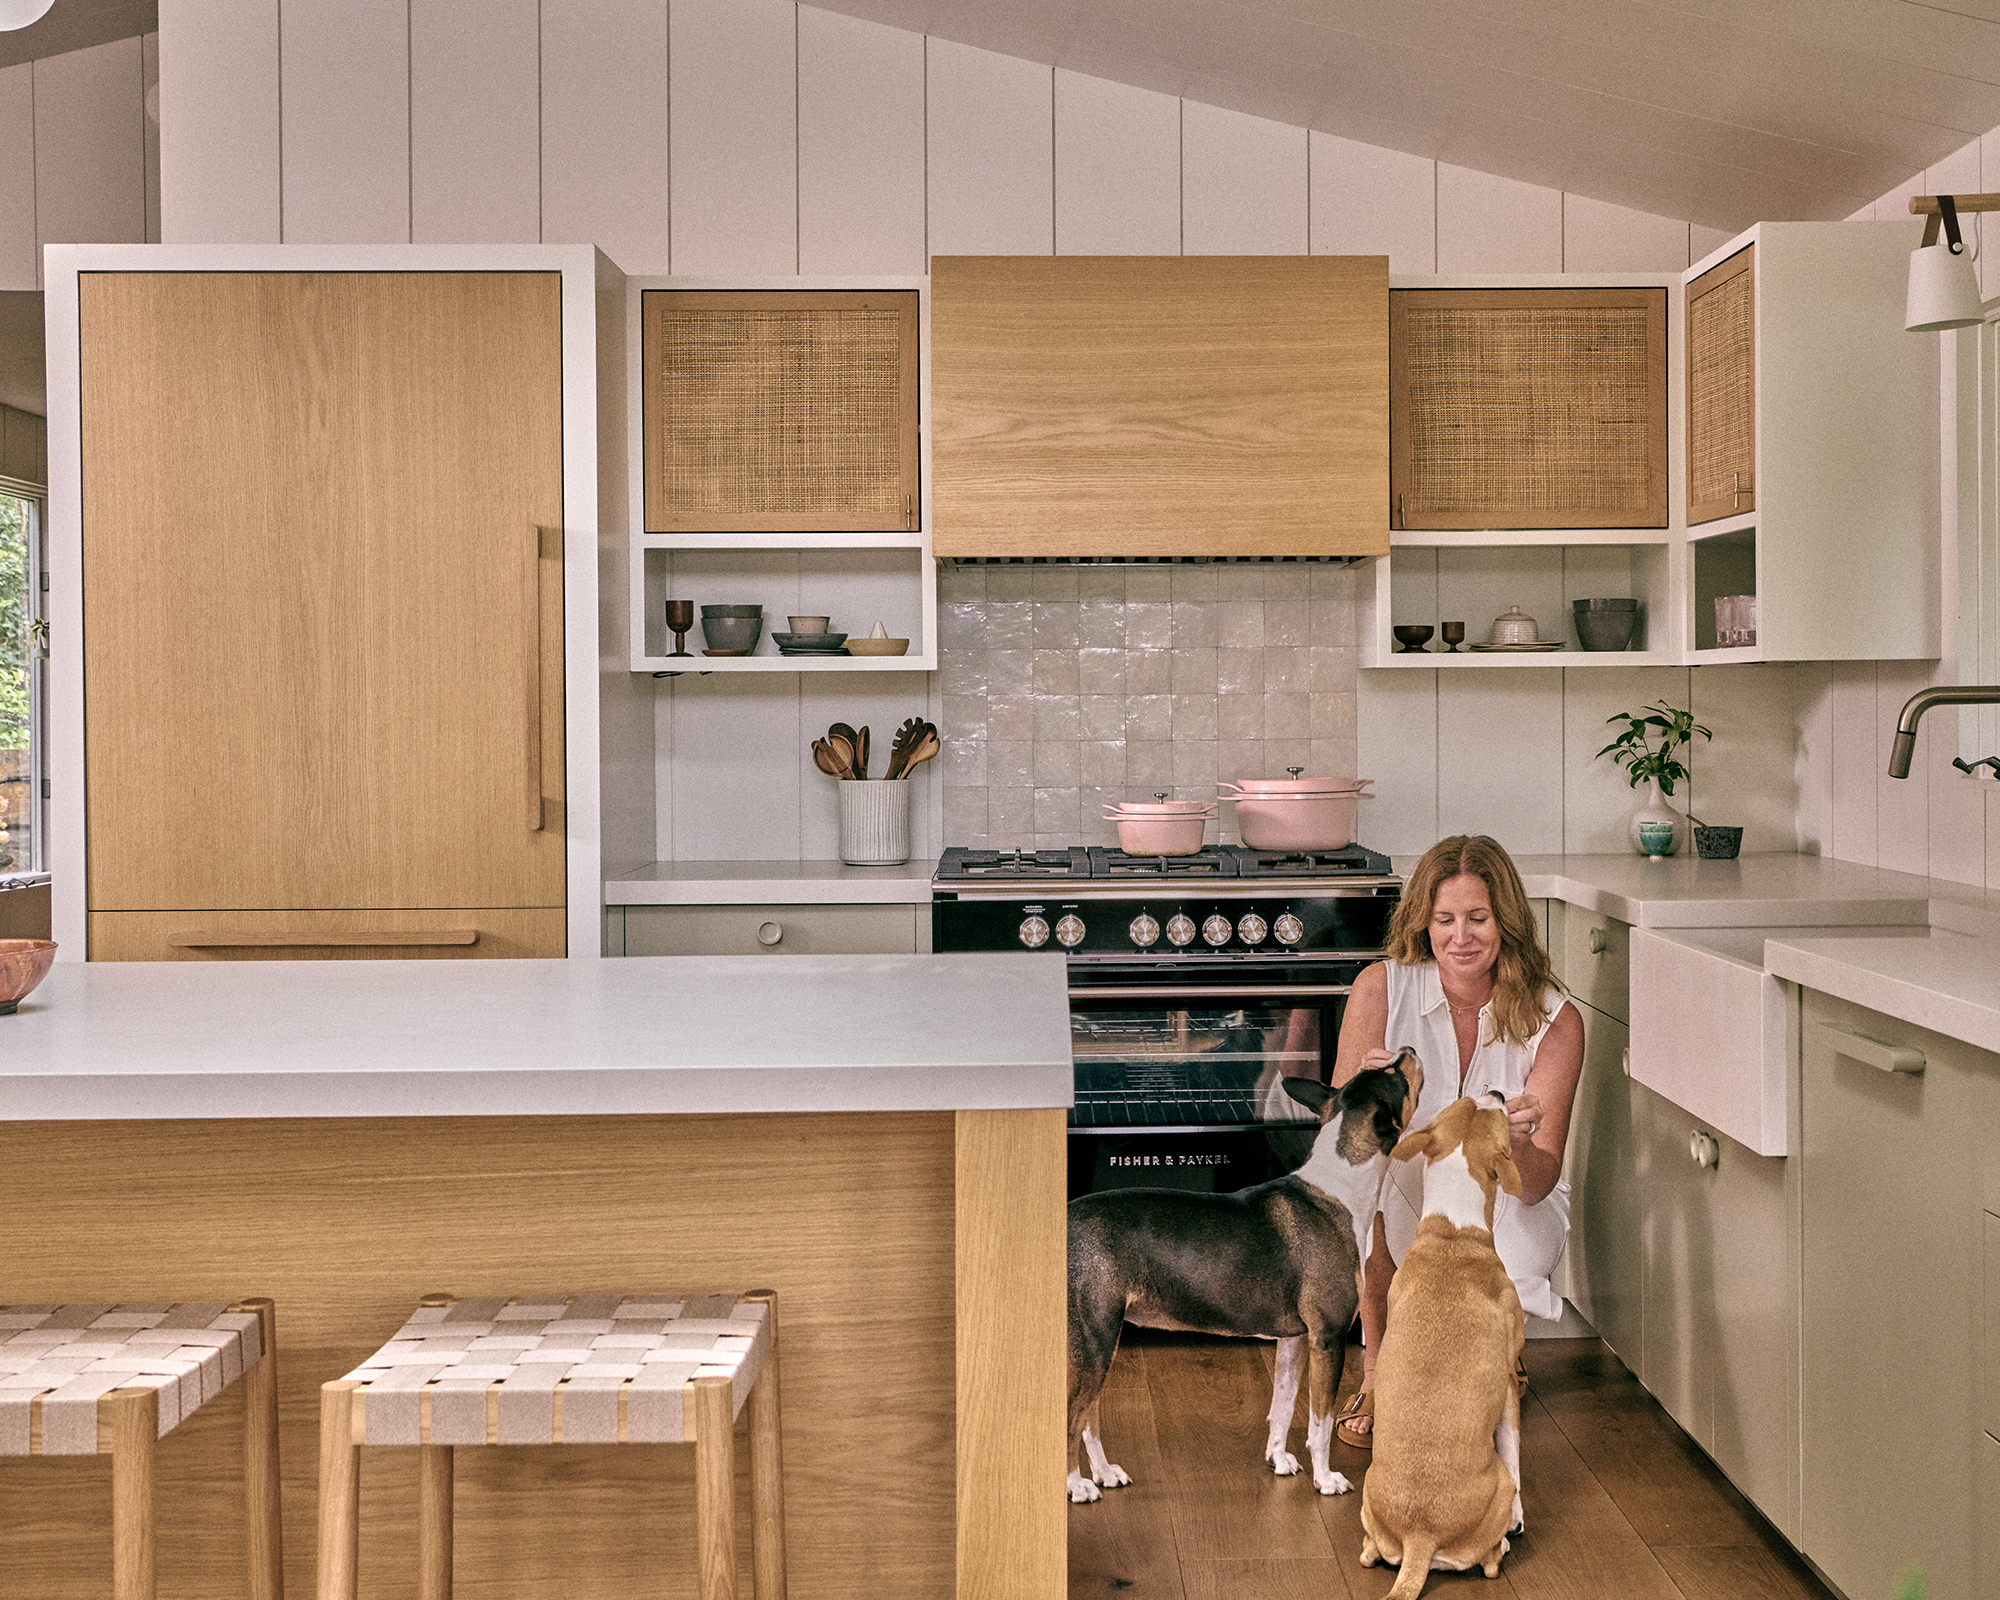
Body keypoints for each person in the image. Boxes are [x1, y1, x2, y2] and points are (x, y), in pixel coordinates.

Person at [1326, 833, 1583, 1446]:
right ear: (1424, 922)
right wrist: (1368, 1102)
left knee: (1503, 1278)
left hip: (1510, 1200)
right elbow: (1337, 1148)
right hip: (1408, 1184)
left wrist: (1516, 1141)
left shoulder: (1555, 1017)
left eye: (1478, 918)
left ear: (1507, 923)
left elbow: (1541, 1179)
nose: (1460, 937)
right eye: (1444, 919)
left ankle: (1496, 1362)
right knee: (1364, 1205)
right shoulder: (1381, 988)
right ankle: (1379, 1371)